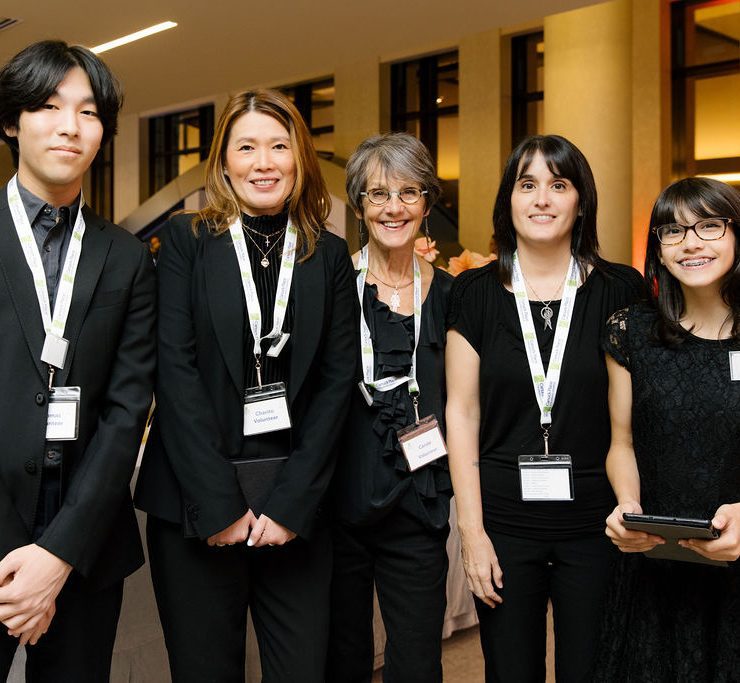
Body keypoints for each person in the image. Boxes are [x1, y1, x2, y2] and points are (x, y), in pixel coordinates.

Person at [134, 89, 356, 683]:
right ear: (224, 161)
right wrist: (221, 508)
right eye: (247, 147)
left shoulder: (329, 254)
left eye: (279, 146)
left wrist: (287, 508)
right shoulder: (186, 241)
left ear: (300, 157)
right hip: (197, 506)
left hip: (296, 507)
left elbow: (337, 385)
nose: (264, 162)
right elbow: (174, 374)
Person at [445, 134, 646, 682]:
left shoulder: (621, 290)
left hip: (597, 526)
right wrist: (472, 533)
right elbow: (461, 415)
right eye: (526, 184)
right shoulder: (475, 293)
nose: (541, 199)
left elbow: (634, 419)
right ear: (507, 200)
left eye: (559, 185)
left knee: (595, 670)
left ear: (581, 200)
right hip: (505, 524)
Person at [0, 41, 156, 681]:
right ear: (11, 122)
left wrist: (56, 555)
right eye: (47, 105)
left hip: (86, 550)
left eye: (88, 112)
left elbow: (128, 411)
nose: (69, 125)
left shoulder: (126, 256)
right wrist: (18, 563)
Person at [593, 177, 740, 681]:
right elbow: (621, 443)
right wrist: (628, 507)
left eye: (709, 226)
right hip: (654, 564)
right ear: (658, 247)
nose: (691, 242)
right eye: (672, 231)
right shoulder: (630, 329)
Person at [327, 133, 454, 682]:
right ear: (358, 204)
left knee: (417, 663)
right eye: (377, 194)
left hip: (419, 508)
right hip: (337, 508)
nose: (393, 208)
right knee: (342, 659)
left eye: (408, 192)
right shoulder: (330, 287)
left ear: (427, 203)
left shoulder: (455, 295)